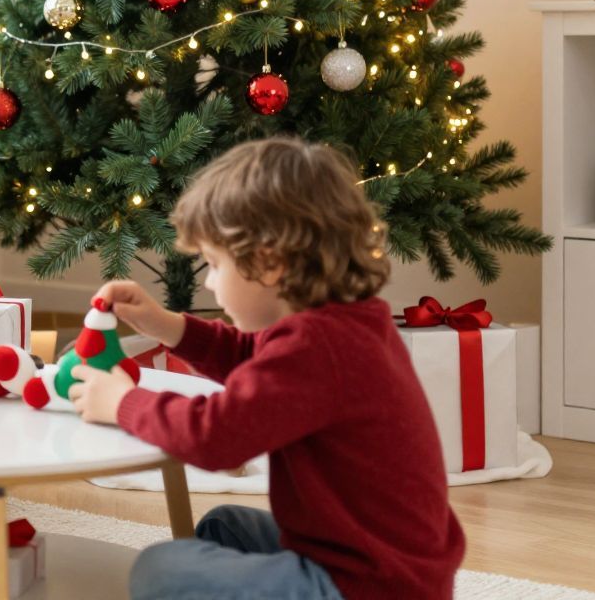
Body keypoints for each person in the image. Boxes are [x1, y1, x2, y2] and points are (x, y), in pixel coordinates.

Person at [69, 137, 465, 600]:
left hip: (367, 585)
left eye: (215, 265)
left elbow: (214, 438)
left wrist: (123, 402)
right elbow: (254, 358)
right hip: (371, 562)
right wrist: (166, 325)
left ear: (270, 263)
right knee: (225, 527)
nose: (211, 283)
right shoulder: (341, 324)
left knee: (160, 569)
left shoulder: (319, 346)